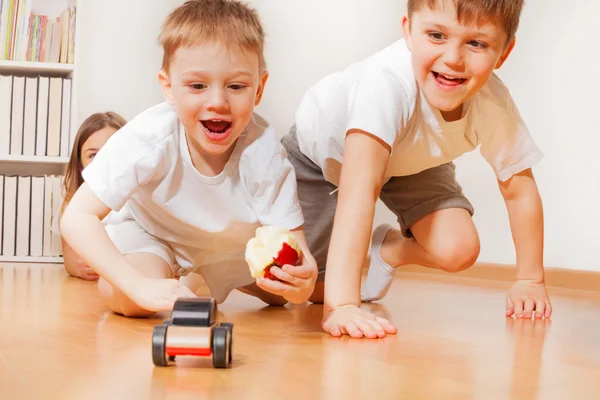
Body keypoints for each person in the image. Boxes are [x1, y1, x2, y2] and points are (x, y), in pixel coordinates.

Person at [282, 0, 552, 339]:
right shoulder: (385, 85)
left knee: (459, 249)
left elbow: (519, 190)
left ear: (504, 51)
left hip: (411, 162)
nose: (453, 58)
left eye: (477, 43)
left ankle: (389, 249)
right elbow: (360, 191)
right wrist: (343, 306)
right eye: (437, 35)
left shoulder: (492, 103)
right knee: (299, 288)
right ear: (408, 30)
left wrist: (530, 280)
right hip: (323, 161)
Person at [60, 0, 318, 318]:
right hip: (151, 233)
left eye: (236, 86)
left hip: (228, 246)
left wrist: (303, 282)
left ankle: (206, 278)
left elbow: (298, 254)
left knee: (280, 297)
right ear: (168, 87)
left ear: (259, 89)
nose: (217, 102)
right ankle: (172, 275)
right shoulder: (148, 136)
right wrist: (136, 284)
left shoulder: (265, 154)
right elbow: (76, 217)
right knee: (130, 299)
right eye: (197, 85)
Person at [59, 112, 128, 281]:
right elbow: (69, 255)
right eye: (93, 155)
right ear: (80, 164)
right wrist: (79, 266)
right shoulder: (75, 202)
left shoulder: (141, 199)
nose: (103, 161)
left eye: (111, 151)